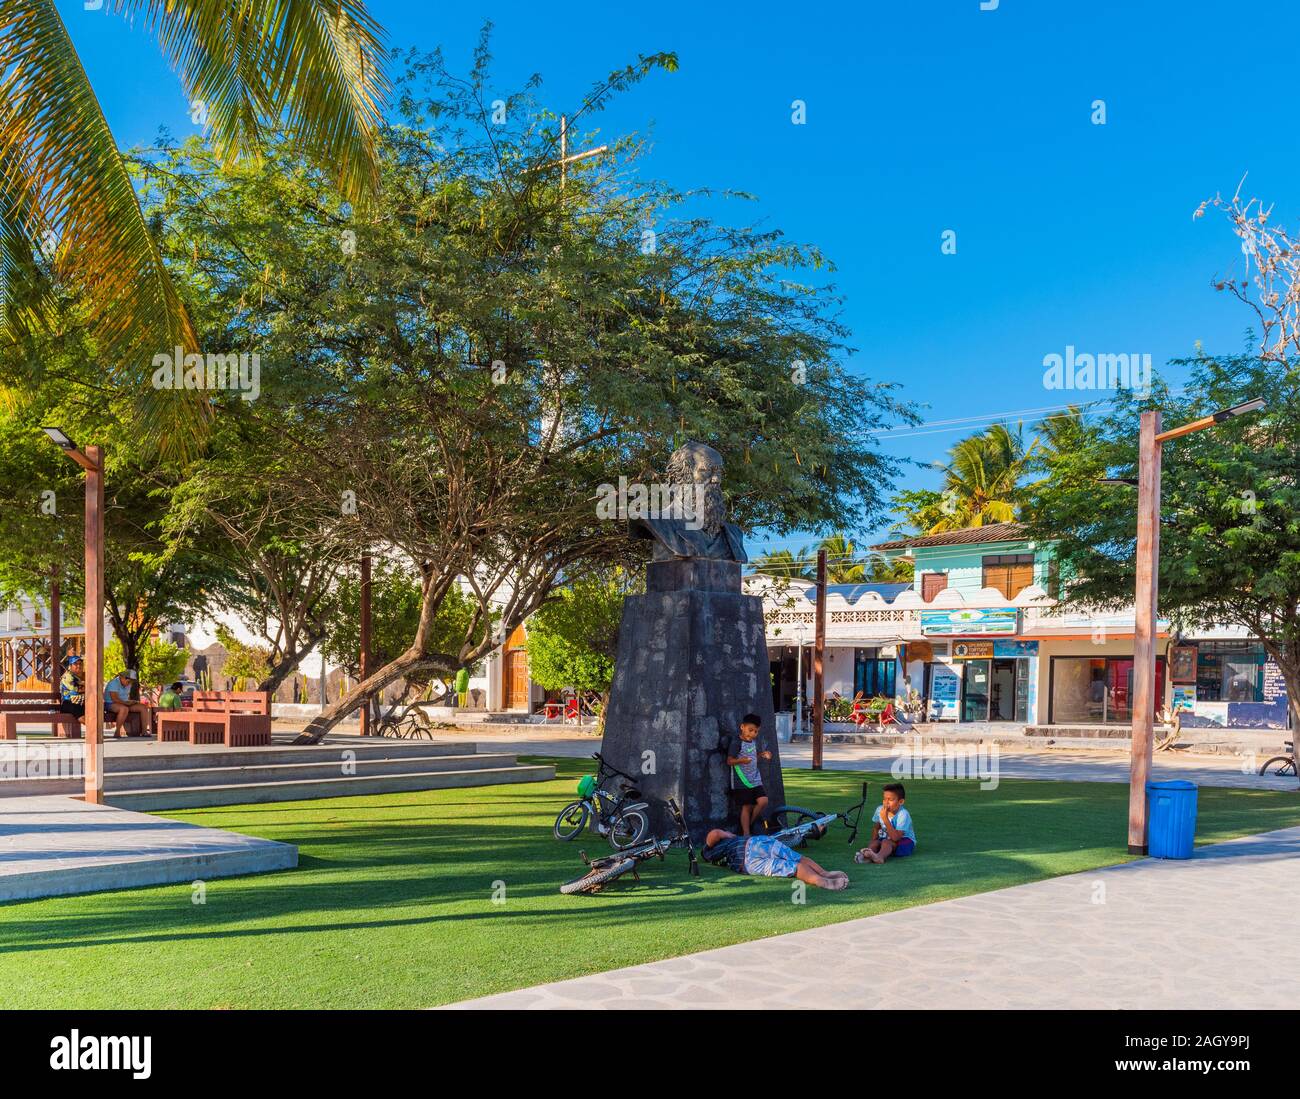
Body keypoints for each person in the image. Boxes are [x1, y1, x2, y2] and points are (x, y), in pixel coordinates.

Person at [702, 829, 848, 890]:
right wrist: (726, 835)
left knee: (792, 866)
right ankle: (825, 874)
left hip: (747, 861)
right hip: (757, 842)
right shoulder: (716, 847)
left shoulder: (713, 852)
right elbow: (715, 833)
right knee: (796, 858)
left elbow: (714, 835)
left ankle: (821, 880)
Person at [726, 712, 772, 835]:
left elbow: (753, 757)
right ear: (742, 727)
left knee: (763, 801)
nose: (753, 734)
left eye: (756, 731)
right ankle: (746, 834)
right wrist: (742, 760)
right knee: (746, 807)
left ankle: (750, 823)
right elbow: (729, 761)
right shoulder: (737, 742)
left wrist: (762, 755)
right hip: (742, 781)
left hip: (755, 778)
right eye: (750, 730)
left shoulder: (753, 742)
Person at [855, 782, 916, 863]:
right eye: (884, 799)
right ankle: (868, 856)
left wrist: (885, 818)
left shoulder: (903, 814)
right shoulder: (880, 809)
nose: (886, 803)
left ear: (900, 802)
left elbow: (896, 838)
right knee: (876, 842)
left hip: (904, 842)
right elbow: (877, 828)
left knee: (886, 842)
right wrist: (873, 842)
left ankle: (880, 857)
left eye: (890, 800)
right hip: (887, 839)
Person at [104, 668, 150, 738]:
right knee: (124, 709)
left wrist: (131, 702)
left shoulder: (128, 684)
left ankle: (144, 731)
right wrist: (126, 703)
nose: (130, 683)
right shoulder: (113, 683)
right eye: (128, 681)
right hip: (111, 703)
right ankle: (117, 731)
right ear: (122, 677)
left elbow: (125, 697)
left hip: (123, 703)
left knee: (143, 707)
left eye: (131, 682)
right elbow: (114, 698)